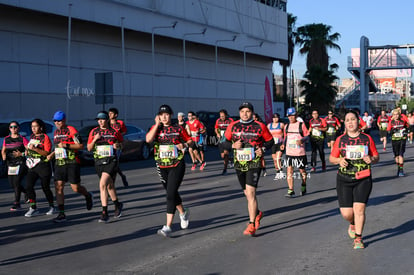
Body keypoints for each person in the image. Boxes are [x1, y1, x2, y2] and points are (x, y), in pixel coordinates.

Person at [329, 109, 379, 249]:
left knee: (359, 209)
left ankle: (358, 238)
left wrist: (371, 159)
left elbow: (376, 156)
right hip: (344, 179)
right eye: (348, 120)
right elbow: (332, 158)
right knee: (347, 213)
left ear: (358, 121)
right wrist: (339, 160)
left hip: (363, 178)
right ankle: (352, 223)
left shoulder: (366, 139)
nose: (350, 122)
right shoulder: (340, 140)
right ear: (344, 123)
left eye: (353, 119)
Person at [223, 102, 274, 236]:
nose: (245, 114)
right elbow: (223, 143)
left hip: (254, 163)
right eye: (242, 111)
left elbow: (270, 141)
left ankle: (251, 224)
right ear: (239, 113)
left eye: (248, 111)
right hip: (239, 164)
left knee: (251, 193)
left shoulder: (260, 126)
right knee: (246, 193)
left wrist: (262, 149)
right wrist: (233, 145)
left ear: (252, 113)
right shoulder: (233, 126)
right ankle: (257, 213)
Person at [146, 104, 193, 237]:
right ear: (158, 116)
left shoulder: (177, 128)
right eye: (161, 115)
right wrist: (156, 125)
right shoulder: (156, 129)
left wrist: (183, 144)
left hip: (177, 164)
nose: (164, 117)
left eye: (166, 114)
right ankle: (183, 213)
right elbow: (148, 140)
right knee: (171, 193)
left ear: (171, 115)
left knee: (170, 194)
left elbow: (190, 141)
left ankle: (168, 226)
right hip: (162, 166)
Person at [47, 111, 94, 223]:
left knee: (75, 188)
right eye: (55, 121)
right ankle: (61, 214)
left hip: (72, 161)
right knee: (58, 187)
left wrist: (66, 145)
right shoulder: (56, 133)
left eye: (59, 120)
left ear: (64, 120)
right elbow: (58, 147)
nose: (57, 123)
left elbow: (81, 145)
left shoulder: (71, 130)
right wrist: (51, 154)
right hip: (59, 162)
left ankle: (87, 195)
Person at [87, 111, 124, 223]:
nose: (100, 121)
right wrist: (94, 139)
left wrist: (117, 145)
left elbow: (122, 144)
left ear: (107, 119)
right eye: (98, 120)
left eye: (102, 119)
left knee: (103, 184)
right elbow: (89, 148)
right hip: (98, 161)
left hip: (111, 161)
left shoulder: (114, 132)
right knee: (109, 186)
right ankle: (117, 204)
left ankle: (104, 212)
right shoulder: (94, 131)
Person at [24, 119, 55, 217]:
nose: (33, 128)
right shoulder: (32, 137)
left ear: (40, 127)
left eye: (35, 126)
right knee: (28, 186)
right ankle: (33, 207)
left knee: (45, 187)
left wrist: (35, 149)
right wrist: (27, 151)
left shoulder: (45, 137)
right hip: (33, 165)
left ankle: (52, 206)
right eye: (32, 126)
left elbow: (47, 153)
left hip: (43, 165)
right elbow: (30, 149)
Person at [281, 107, 310, 197]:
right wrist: (283, 144)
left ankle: (304, 184)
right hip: (289, 152)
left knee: (302, 170)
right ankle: (291, 189)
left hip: (300, 152)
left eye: (292, 115)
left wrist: (302, 140)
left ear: (296, 115)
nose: (290, 117)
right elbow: (286, 137)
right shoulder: (286, 126)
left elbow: (308, 136)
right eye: (289, 116)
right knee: (289, 170)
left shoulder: (301, 125)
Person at [1, 121, 28, 211]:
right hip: (10, 164)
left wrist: (22, 154)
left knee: (16, 182)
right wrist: (4, 160)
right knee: (12, 183)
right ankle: (26, 192)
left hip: (20, 163)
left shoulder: (22, 138)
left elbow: (29, 150)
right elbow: (3, 150)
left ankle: (17, 203)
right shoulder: (6, 139)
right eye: (11, 127)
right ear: (9, 129)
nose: (13, 128)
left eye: (15, 127)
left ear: (18, 128)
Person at [108, 107, 129, 187]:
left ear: (115, 115)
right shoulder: (107, 123)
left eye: (111, 113)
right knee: (112, 164)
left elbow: (124, 131)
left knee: (115, 163)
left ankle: (112, 184)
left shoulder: (120, 123)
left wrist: (118, 136)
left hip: (118, 146)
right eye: (108, 113)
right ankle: (122, 175)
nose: (109, 115)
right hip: (108, 146)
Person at [387, 109, 409, 177]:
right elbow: (388, 131)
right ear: (392, 115)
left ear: (399, 115)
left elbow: (407, 127)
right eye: (395, 114)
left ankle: (401, 170)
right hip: (395, 140)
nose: (396, 116)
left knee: (401, 154)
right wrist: (392, 131)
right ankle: (399, 168)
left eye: (397, 114)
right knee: (396, 156)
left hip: (402, 139)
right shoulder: (391, 122)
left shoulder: (403, 121)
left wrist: (406, 131)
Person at [214, 109, 234, 175]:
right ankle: (231, 160)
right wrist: (217, 133)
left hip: (228, 140)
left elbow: (234, 128)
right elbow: (216, 128)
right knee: (223, 156)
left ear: (226, 115)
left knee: (225, 154)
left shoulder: (230, 120)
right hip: (221, 139)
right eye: (220, 116)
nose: (222, 117)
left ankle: (225, 170)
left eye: (223, 116)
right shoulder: (218, 121)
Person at [267, 113, 285, 178]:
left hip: (280, 143)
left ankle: (281, 171)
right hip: (273, 144)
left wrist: (284, 142)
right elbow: (266, 134)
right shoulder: (269, 125)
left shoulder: (281, 125)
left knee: (278, 158)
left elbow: (285, 133)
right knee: (275, 160)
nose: (275, 119)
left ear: (278, 118)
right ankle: (277, 171)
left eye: (276, 117)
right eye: (274, 118)